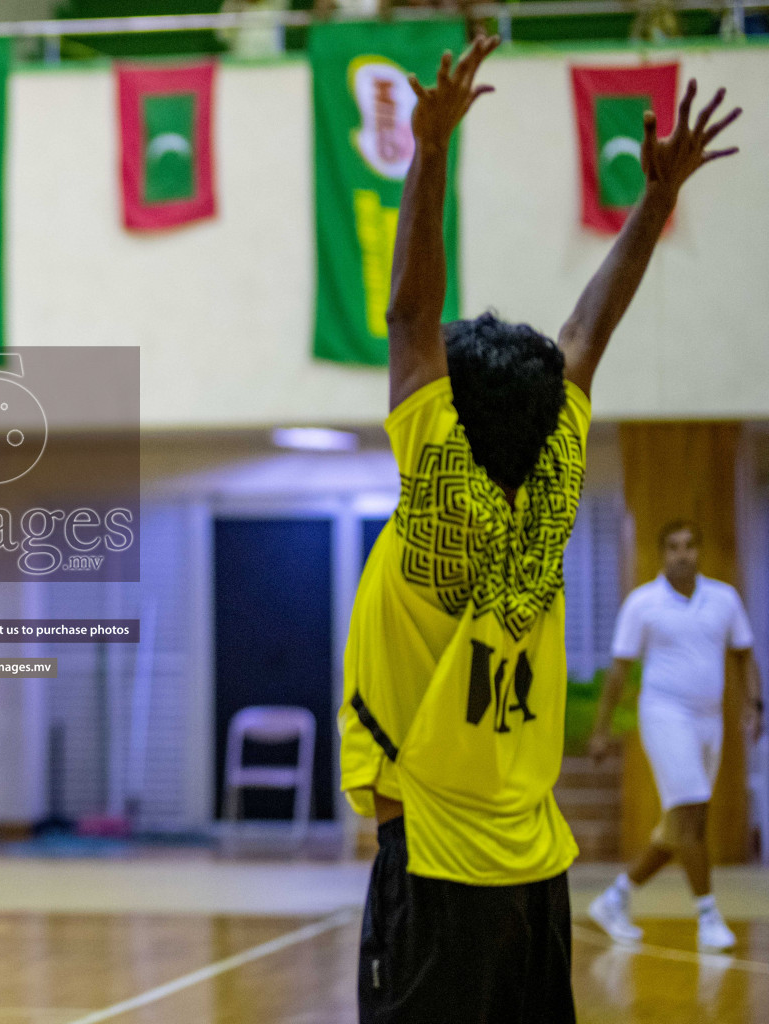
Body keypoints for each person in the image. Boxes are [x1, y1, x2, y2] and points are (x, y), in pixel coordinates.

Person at [336, 29, 740, 1024]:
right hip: (534, 871)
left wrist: (428, 152)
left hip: (436, 866)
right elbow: (588, 334)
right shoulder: (549, 489)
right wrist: (654, 202)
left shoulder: (438, 499)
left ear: (449, 419)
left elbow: (406, 318)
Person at [586, 520, 763, 951]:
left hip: (710, 722)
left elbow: (744, 656)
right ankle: (708, 917)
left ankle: (615, 898)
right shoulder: (642, 604)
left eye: (688, 546)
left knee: (678, 827)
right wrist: (602, 730)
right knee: (691, 815)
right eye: (673, 547)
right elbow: (620, 671)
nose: (681, 554)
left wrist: (755, 705)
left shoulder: (724, 599)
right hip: (664, 716)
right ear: (662, 553)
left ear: (699, 551)